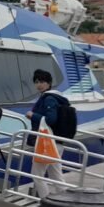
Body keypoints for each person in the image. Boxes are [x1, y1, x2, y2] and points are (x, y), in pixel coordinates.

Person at [25, 68, 68, 199]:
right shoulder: (55, 97)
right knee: (56, 174)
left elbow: (51, 119)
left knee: (36, 174)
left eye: (42, 81)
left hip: (48, 142)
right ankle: (65, 200)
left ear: (49, 83)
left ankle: (46, 201)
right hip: (56, 141)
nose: (39, 84)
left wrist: (33, 116)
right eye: (36, 82)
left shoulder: (49, 98)